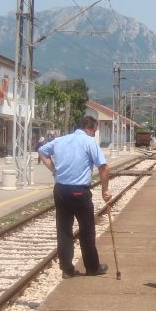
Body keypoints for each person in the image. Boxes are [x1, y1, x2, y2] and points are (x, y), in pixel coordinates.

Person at [38, 115, 111, 278]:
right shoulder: (89, 142)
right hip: (79, 191)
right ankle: (92, 267)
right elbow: (104, 167)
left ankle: (67, 269)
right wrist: (105, 190)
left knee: (64, 230)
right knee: (87, 230)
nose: (94, 134)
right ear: (88, 129)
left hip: (61, 190)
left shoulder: (60, 140)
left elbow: (42, 151)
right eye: (94, 131)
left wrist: (54, 171)